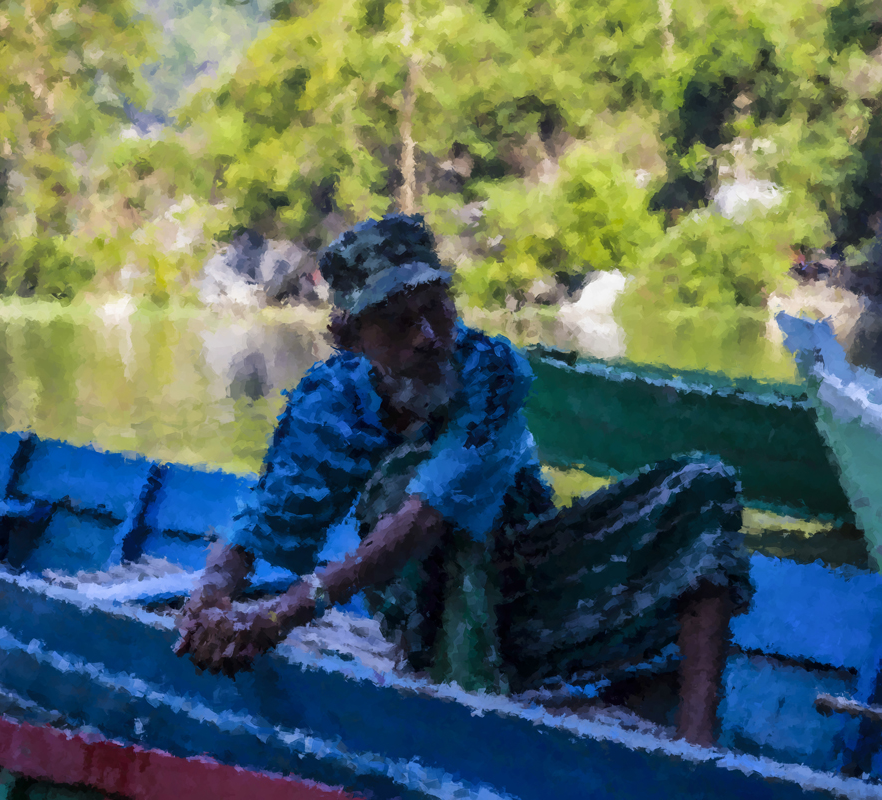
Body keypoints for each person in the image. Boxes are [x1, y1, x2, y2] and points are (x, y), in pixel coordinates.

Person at [174, 214, 749, 745]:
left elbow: (432, 510)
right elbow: (266, 519)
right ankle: (460, 693)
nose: (427, 335)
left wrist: (285, 611)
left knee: (705, 484)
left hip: (531, 593)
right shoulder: (330, 400)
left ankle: (695, 753)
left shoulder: (491, 372)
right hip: (428, 622)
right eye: (399, 322)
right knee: (398, 485)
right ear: (350, 336)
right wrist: (209, 597)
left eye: (438, 308)